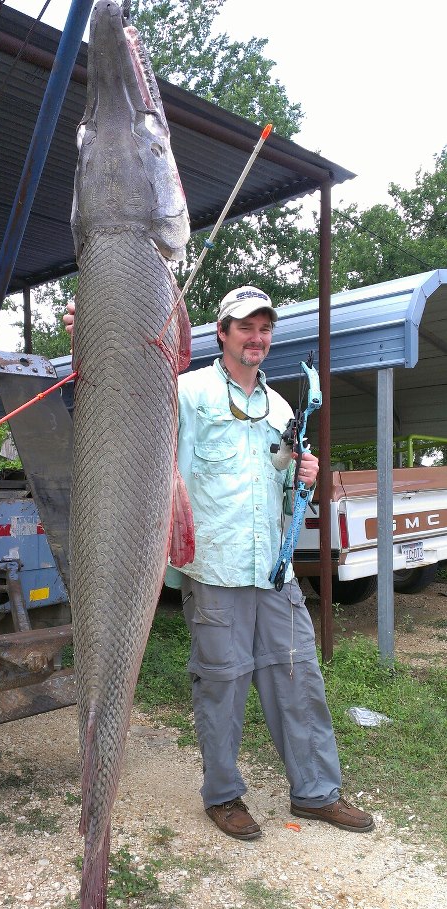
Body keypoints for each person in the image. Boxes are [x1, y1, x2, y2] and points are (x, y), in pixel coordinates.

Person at [63, 287, 374, 840]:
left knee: (298, 680)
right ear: (222, 333)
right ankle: (224, 796)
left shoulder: (279, 406)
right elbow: (126, 401)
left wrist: (301, 473)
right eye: (245, 327)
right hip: (214, 569)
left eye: (264, 328)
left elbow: (278, 486)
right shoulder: (184, 391)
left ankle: (317, 792)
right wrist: (92, 337)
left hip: (274, 572)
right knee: (222, 685)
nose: (257, 337)